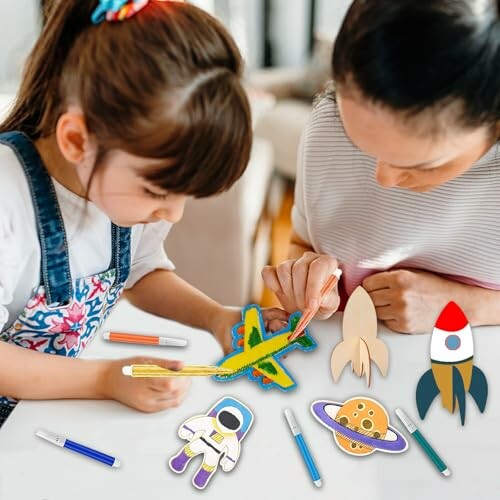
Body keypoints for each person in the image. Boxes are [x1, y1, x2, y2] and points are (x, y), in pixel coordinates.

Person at [0, 0, 287, 427]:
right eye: (157, 192)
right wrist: (103, 379)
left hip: (41, 420)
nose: (172, 215)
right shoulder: (8, 195)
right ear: (77, 141)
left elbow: (142, 271)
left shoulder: (117, 196)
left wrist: (217, 318)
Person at [263, 0, 500, 335]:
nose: (383, 178)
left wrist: (464, 305)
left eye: (421, 165)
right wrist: (307, 278)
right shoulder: (327, 128)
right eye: (358, 144)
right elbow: (304, 242)